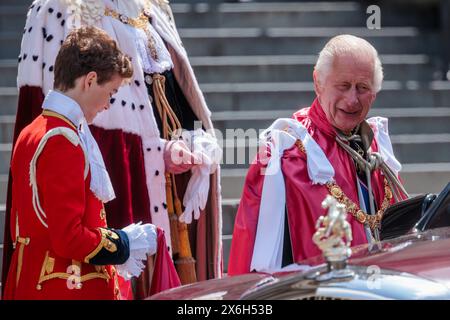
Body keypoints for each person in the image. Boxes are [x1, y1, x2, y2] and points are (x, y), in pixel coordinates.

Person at [2, 0, 222, 297]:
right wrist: (123, 243)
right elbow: (68, 238)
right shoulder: (61, 141)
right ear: (90, 80)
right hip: (64, 287)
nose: (108, 105)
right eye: (110, 93)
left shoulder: (38, 131)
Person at [228, 34, 409, 275]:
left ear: (374, 94)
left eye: (362, 88)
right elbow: (253, 248)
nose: (352, 99)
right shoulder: (285, 149)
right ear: (318, 82)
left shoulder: (377, 144)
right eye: (343, 86)